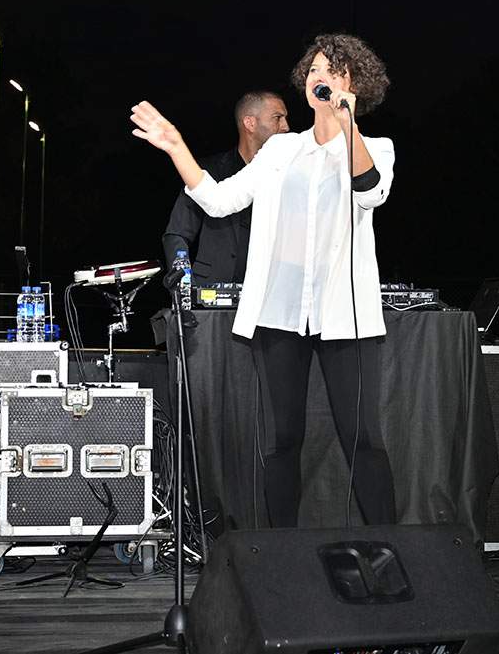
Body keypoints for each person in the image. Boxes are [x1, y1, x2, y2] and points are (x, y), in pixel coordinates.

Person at [132, 33, 397, 527]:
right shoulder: (280, 151)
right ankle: (282, 550)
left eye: (333, 70)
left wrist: (347, 122)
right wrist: (176, 147)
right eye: (314, 69)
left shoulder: (375, 147)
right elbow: (218, 201)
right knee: (282, 439)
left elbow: (370, 192)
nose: (320, 76)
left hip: (346, 315)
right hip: (280, 312)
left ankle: (389, 547)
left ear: (354, 83)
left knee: (363, 438)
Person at [161, 91, 289, 283]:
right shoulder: (205, 172)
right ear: (250, 123)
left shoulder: (287, 173)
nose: (286, 127)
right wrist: (184, 282)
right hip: (211, 290)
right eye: (277, 118)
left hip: (267, 288)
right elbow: (177, 233)